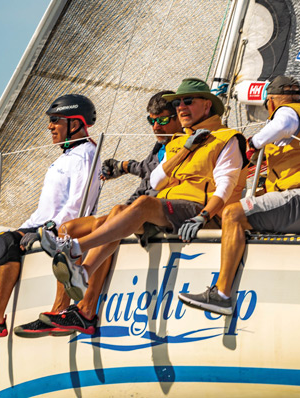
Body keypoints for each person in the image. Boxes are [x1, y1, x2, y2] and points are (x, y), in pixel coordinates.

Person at [42, 78, 246, 302]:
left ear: (207, 105)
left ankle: (76, 249)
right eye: (178, 103)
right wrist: (185, 150)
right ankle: (83, 273)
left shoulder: (228, 138)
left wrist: (203, 216)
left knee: (143, 205)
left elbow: (225, 188)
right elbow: (157, 181)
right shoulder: (179, 141)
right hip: (168, 207)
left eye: (188, 101)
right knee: (119, 210)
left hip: (199, 210)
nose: (182, 107)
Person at [178, 75, 300, 316]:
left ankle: (221, 294)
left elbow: (282, 123)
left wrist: (254, 143)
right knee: (248, 209)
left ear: (270, 102)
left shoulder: (290, 111)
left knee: (233, 213)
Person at [0, 94, 100, 342]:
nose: (49, 126)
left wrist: (45, 230)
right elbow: (45, 207)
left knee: (8, 244)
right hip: (41, 224)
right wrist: (24, 229)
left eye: (55, 120)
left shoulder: (87, 153)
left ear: (74, 124)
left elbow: (78, 204)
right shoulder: (66, 156)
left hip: (62, 227)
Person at [28, 91, 183, 336]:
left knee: (112, 217)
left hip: (159, 209)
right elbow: (148, 169)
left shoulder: (184, 141)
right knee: (67, 229)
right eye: (151, 121)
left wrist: (123, 166)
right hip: (138, 205)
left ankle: (86, 308)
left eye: (162, 120)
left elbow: (156, 173)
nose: (155, 126)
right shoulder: (161, 143)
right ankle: (60, 310)